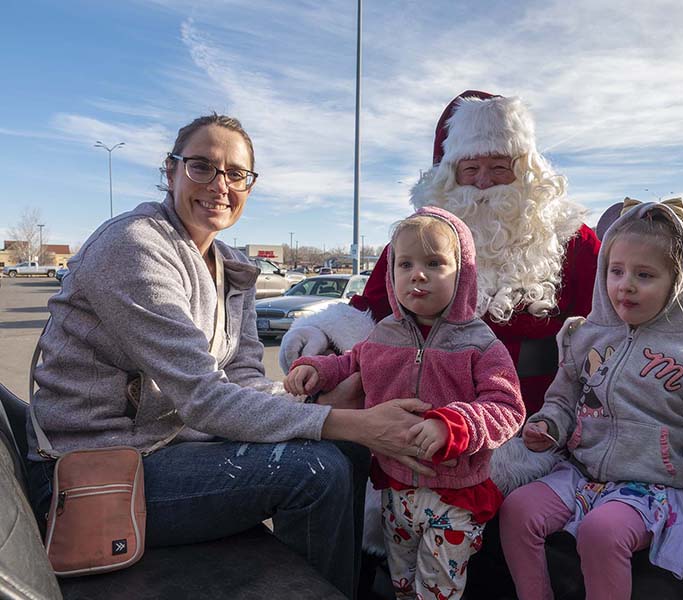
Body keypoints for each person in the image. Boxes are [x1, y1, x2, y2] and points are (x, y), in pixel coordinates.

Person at [25, 114, 438, 599]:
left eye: (236, 174)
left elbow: (241, 381)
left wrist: (318, 406)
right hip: (98, 470)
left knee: (345, 451)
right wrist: (353, 421)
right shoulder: (133, 248)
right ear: (171, 170)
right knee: (315, 472)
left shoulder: (231, 269)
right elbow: (203, 397)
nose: (220, 185)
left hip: (172, 448)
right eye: (202, 167)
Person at [499, 198, 683, 600]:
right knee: (517, 509)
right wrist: (548, 425)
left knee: (601, 532)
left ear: (678, 283)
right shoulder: (583, 337)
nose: (625, 284)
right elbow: (561, 401)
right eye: (616, 271)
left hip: (649, 489)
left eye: (644, 274)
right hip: (581, 476)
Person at [279, 90, 601, 416]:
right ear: (449, 176)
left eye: (500, 167)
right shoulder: (417, 238)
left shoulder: (571, 238)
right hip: (427, 415)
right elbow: (372, 312)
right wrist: (322, 341)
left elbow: (612, 322)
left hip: (541, 417)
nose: (484, 182)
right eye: (471, 168)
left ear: (525, 171)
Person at [285, 207, 525, 599]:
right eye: (406, 264)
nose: (418, 274)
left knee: (438, 589)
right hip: (395, 489)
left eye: (435, 263)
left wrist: (454, 425)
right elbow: (351, 361)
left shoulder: (480, 344)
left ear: (462, 273)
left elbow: (507, 407)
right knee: (401, 580)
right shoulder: (385, 333)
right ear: (390, 273)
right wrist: (317, 369)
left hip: (454, 494)